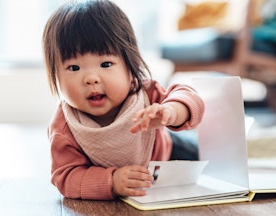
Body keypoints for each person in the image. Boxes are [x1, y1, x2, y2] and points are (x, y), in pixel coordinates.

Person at [42, 0, 204, 200]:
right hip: (133, 181)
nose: (91, 78)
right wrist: (112, 182)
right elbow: (65, 177)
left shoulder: (145, 93)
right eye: (74, 68)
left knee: (208, 157)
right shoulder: (66, 126)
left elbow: (191, 98)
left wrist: (171, 111)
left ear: (129, 67)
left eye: (106, 64)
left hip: (169, 154)